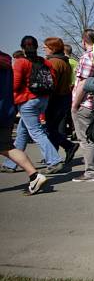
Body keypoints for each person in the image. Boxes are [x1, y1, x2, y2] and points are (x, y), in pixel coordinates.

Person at [1, 36, 64, 174]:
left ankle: (54, 161)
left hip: (27, 101)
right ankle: (10, 164)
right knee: (22, 132)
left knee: (36, 132)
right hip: (43, 100)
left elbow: (15, 84)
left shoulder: (20, 62)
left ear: (23, 48)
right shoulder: (45, 62)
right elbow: (52, 80)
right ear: (36, 47)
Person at [0, 50, 48, 194]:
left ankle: (49, 163)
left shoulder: (19, 62)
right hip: (7, 109)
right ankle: (34, 175)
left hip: (23, 101)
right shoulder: (7, 60)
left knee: (33, 133)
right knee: (6, 146)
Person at [70, 29, 94, 182]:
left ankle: (91, 172)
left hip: (85, 103)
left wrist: (75, 105)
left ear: (84, 41)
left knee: (86, 139)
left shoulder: (87, 57)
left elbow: (84, 83)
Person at [43, 37, 79, 164]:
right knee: (54, 128)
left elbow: (51, 83)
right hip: (64, 97)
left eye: (45, 47)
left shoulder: (53, 62)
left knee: (50, 129)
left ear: (52, 48)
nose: (43, 49)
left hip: (55, 98)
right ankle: (53, 155)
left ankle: (67, 146)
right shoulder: (65, 61)